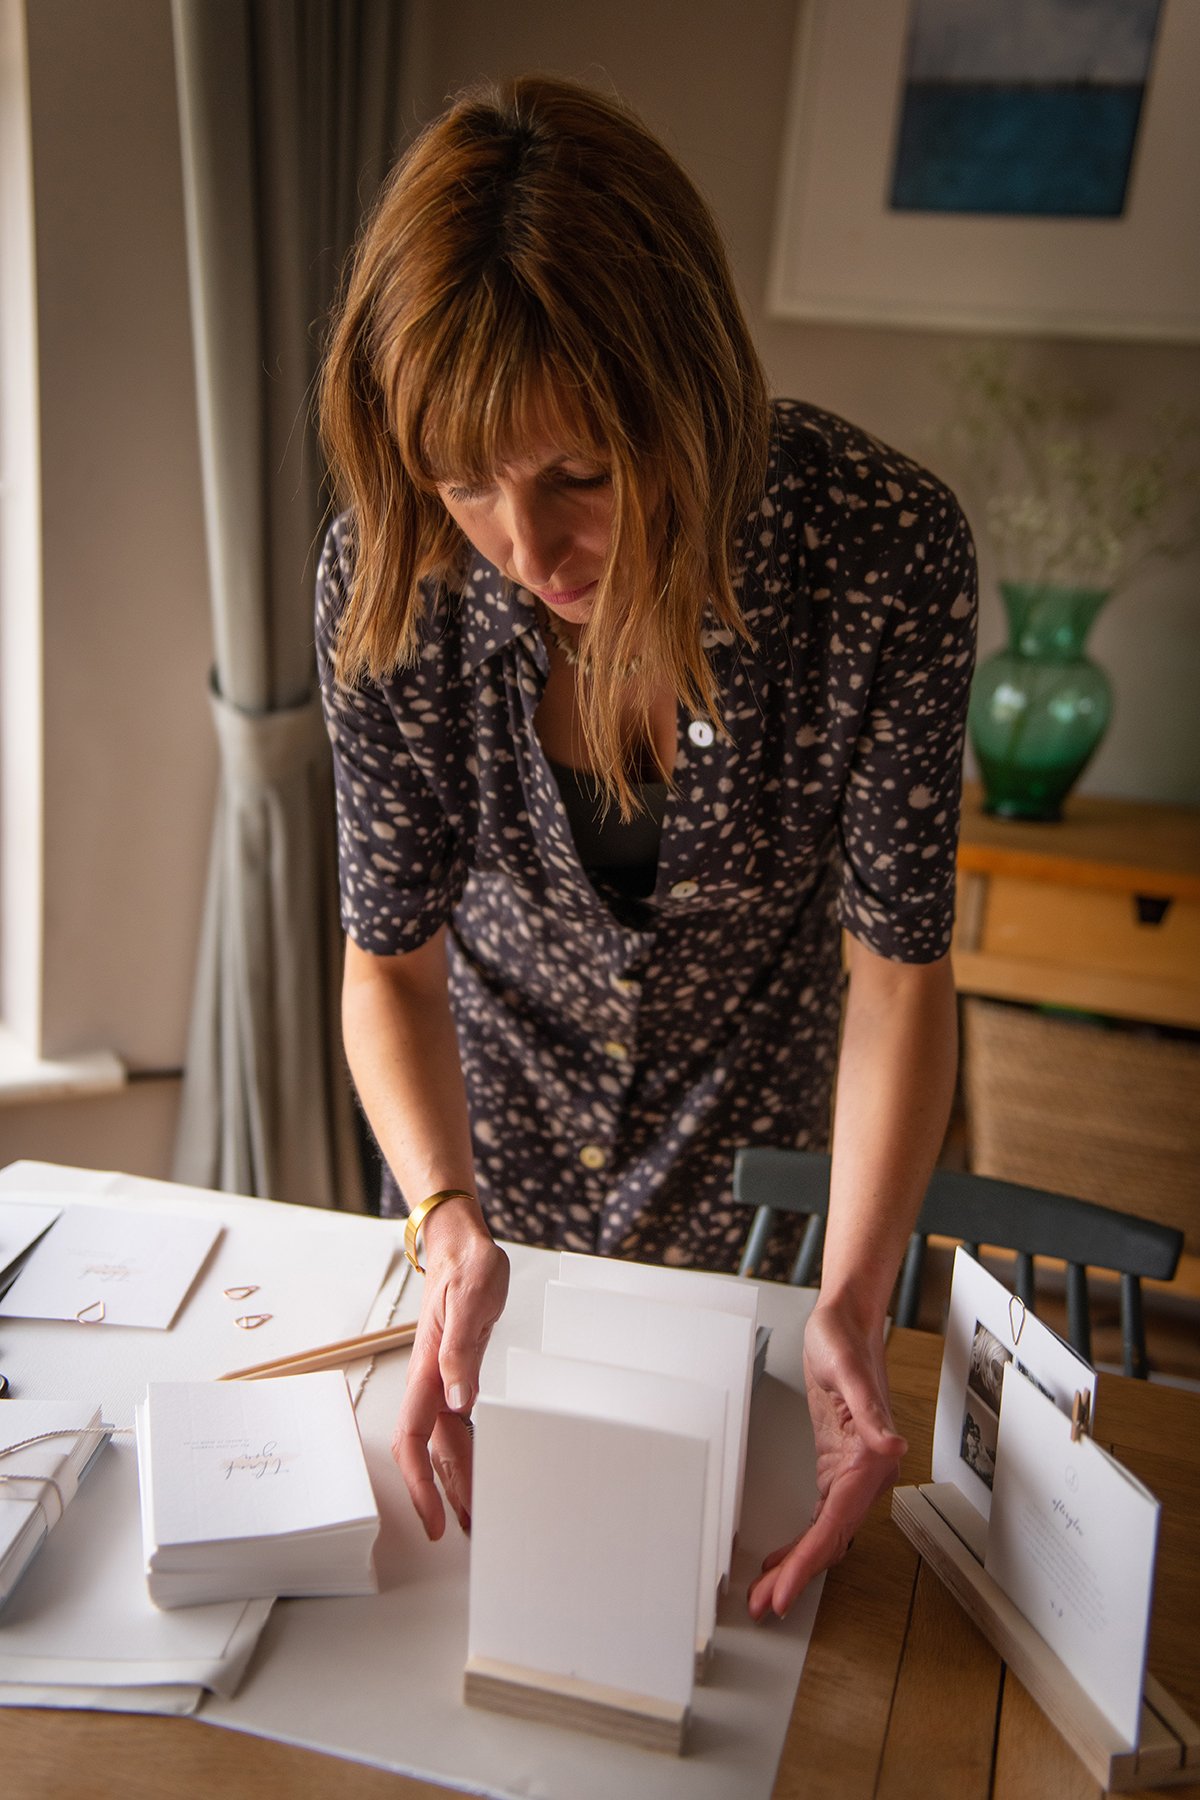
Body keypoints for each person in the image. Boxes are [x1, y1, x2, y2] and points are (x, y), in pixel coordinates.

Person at [316, 74, 976, 1621]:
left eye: (580, 478)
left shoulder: (879, 554)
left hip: (780, 1181)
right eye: (465, 478)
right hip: (499, 1164)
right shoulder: (395, 578)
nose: (524, 551)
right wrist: (443, 1215)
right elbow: (388, 971)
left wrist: (856, 1301)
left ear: (685, 408)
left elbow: (897, 977)